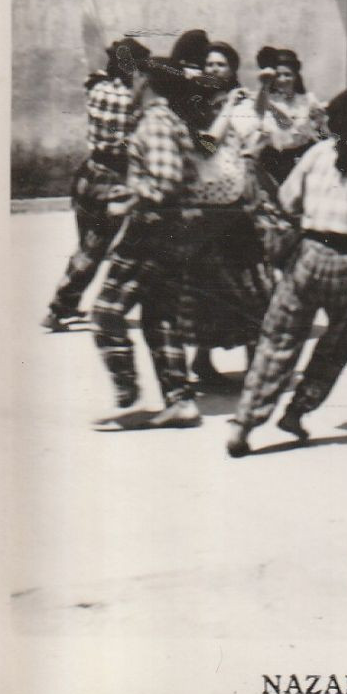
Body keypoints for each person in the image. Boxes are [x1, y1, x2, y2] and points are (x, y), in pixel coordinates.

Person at [227, 81, 347, 458]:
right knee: (339, 344)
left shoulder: (318, 152)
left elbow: (288, 200)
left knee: (278, 340)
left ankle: (245, 420)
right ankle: (299, 408)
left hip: (308, 254)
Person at [90, 47, 229, 427]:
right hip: (172, 235)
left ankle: (126, 392)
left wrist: (131, 198)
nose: (129, 85)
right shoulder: (167, 119)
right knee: (159, 318)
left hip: (150, 234)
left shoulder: (154, 122)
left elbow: (165, 180)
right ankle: (180, 401)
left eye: (134, 79)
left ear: (146, 83)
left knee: (105, 313)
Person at [182, 41, 275, 387]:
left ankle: (253, 363)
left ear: (232, 70)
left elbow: (259, 125)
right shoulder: (194, 104)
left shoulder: (239, 103)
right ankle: (203, 360)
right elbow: (205, 145)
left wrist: (261, 92)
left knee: (248, 284)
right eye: (209, 64)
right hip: (205, 208)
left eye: (221, 64)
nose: (213, 69)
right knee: (207, 287)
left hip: (233, 206)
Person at [42, 37, 143, 332]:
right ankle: (59, 307)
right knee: (93, 250)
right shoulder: (132, 99)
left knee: (87, 247)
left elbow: (93, 79)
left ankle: (69, 304)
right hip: (113, 178)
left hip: (88, 174)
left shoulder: (97, 89)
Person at [257, 48, 329, 184]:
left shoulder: (308, 100)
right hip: (272, 159)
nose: (282, 79)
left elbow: (322, 128)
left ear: (296, 76)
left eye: (287, 74)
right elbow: (258, 115)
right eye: (278, 75)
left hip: (300, 158)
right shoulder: (267, 99)